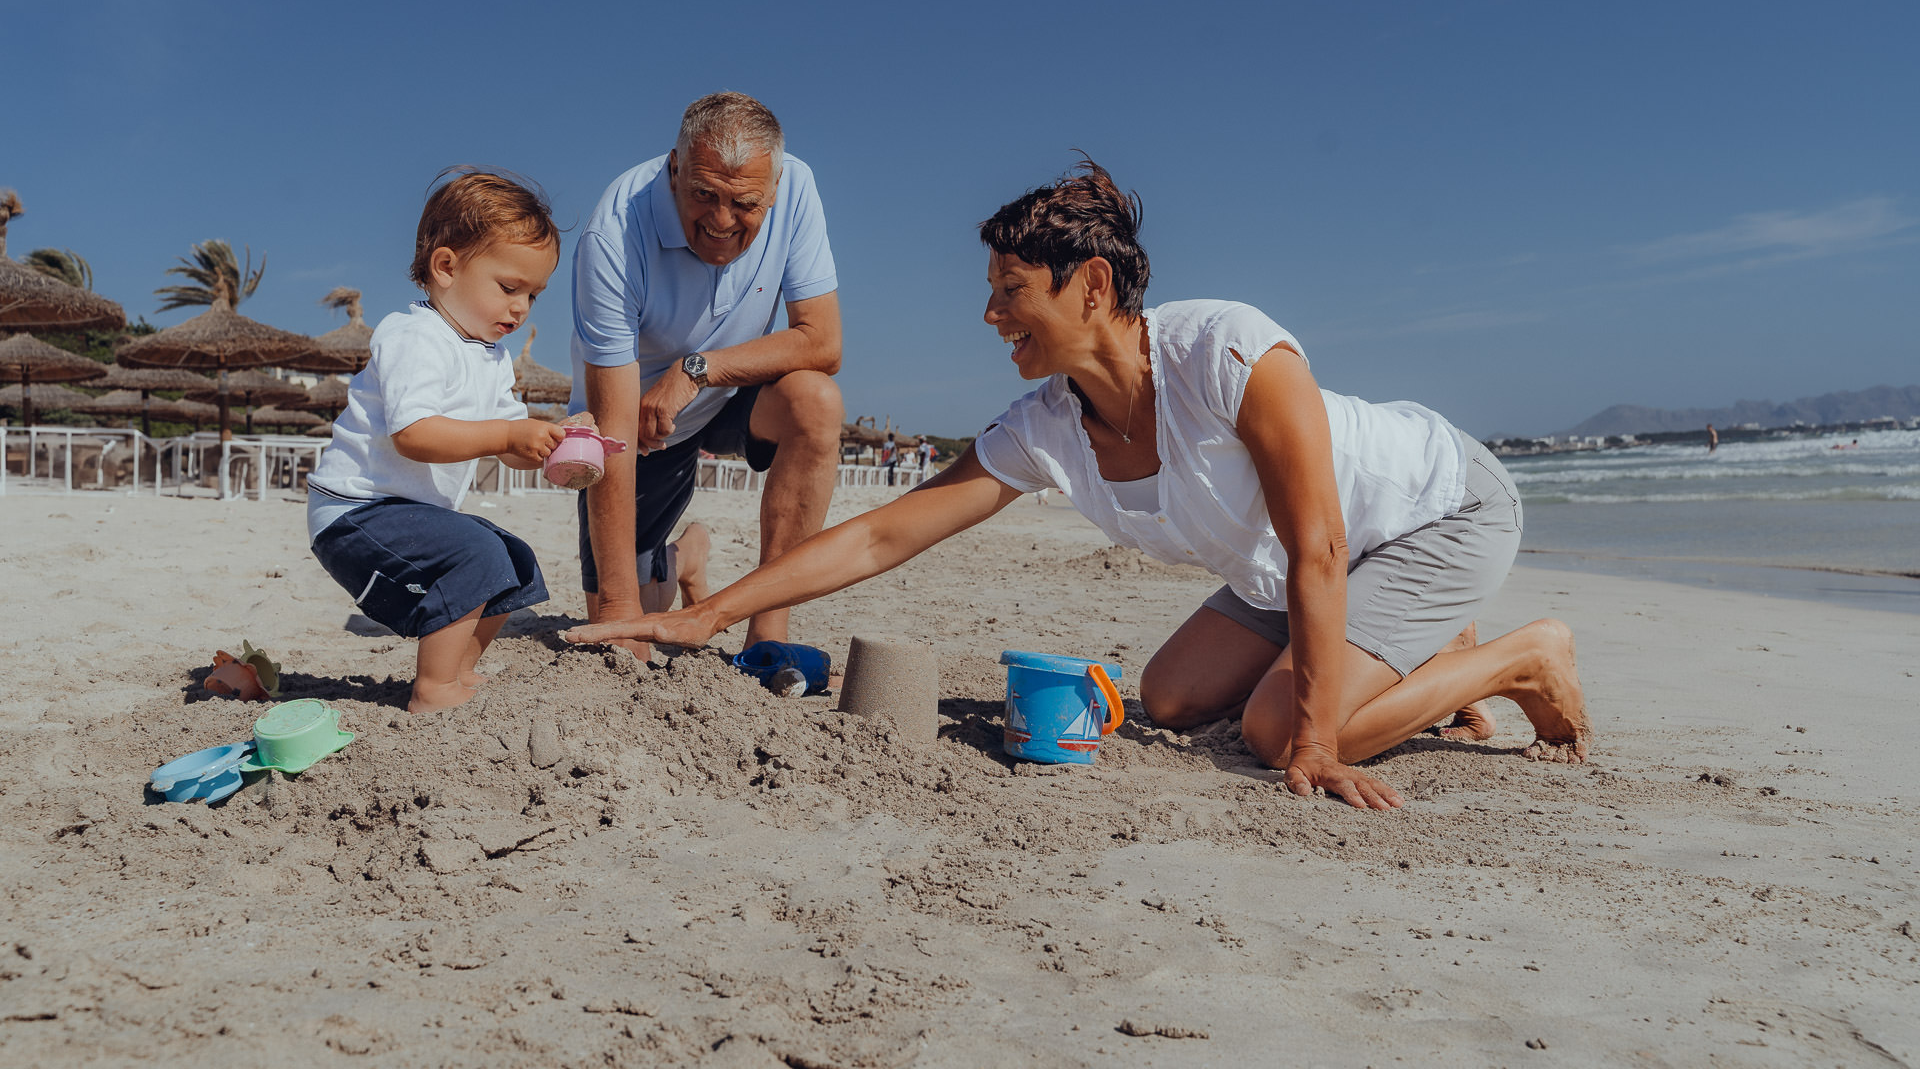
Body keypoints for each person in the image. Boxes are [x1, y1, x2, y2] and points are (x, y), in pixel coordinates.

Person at [566, 159, 1592, 810]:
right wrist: (711, 617)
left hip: (1430, 513)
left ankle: (1518, 658)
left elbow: (1322, 544)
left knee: (1282, 729)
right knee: (1174, 697)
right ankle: (1424, 646)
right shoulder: (1050, 425)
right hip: (1297, 565)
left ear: (1090, 286)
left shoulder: (1230, 352)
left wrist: (1319, 740)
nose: (990, 315)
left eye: (1010, 292)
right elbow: (885, 535)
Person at [570, 92, 843, 650]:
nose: (721, 221)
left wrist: (696, 370)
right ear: (675, 168)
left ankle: (768, 633)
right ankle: (686, 556)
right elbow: (615, 429)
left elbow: (823, 341)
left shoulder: (797, 185)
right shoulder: (615, 232)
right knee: (629, 615)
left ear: (775, 186)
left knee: (816, 400)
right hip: (639, 425)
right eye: (703, 195)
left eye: (745, 204)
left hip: (730, 390)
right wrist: (621, 618)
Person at [308, 170, 569, 713]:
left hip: (407, 513)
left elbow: (508, 447)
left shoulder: (491, 358)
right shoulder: (414, 336)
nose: (521, 308)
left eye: (534, 295)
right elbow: (415, 435)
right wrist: (507, 432)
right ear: (446, 267)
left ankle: (459, 670)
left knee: (514, 560)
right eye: (509, 287)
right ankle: (433, 688)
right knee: (475, 552)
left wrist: (556, 441)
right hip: (356, 511)